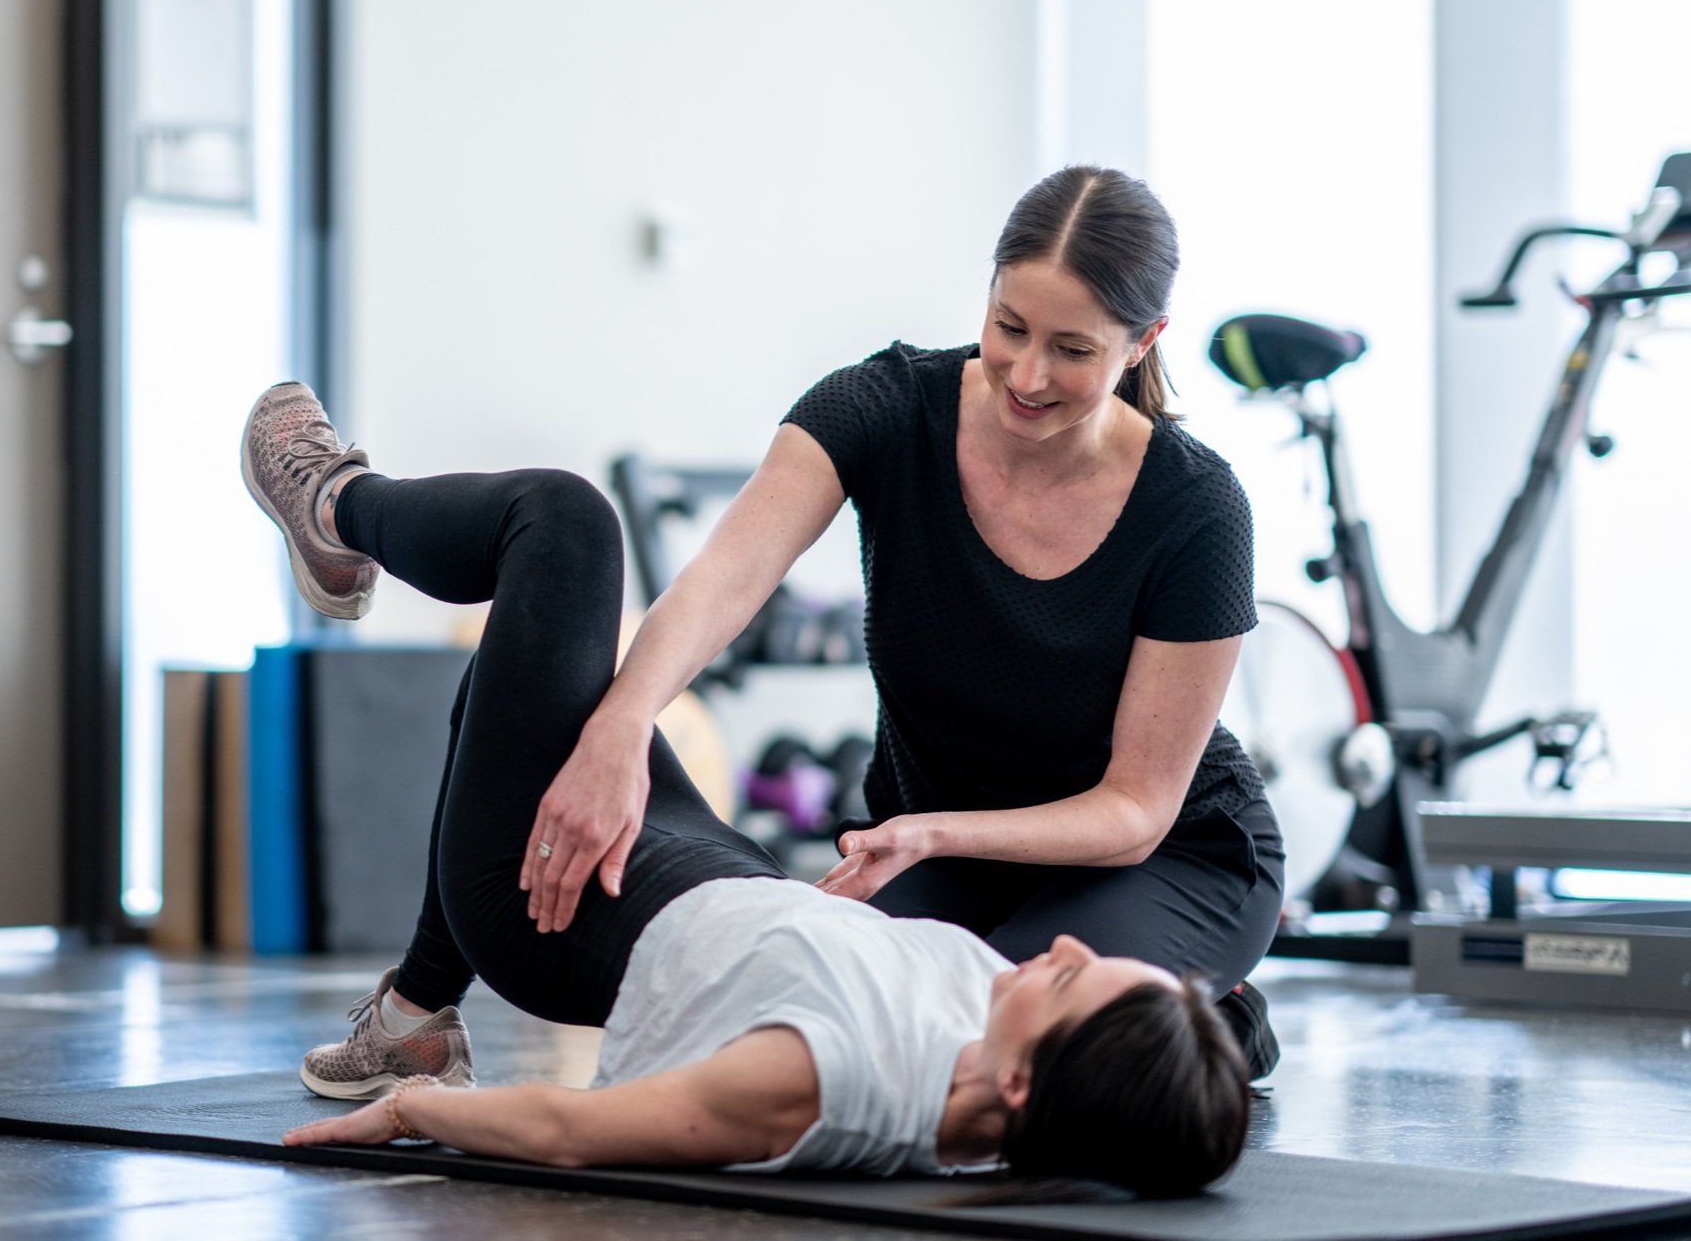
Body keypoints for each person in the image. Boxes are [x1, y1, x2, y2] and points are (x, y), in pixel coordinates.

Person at [240, 382, 1250, 1194]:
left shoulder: (826, 1082)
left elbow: (568, 1129)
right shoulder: (998, 1048)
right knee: (538, 681)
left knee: (564, 525)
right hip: (721, 869)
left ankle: (333, 504)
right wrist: (1190, 1046)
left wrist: (410, 1119)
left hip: (554, 907)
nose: (1066, 947)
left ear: (1023, 1080)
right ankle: (413, 1018)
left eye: (1072, 977)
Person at [517, 165, 1283, 1073]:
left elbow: (1135, 810)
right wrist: (621, 721)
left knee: (980, 1038)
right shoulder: (881, 406)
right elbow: (728, 578)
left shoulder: (1197, 508)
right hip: (950, 856)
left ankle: (1207, 1013)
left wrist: (934, 831)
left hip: (1160, 858)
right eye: (1009, 328)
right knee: (806, 1020)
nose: (1028, 375)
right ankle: (1163, 1007)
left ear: (1143, 342)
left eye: (1073, 351)